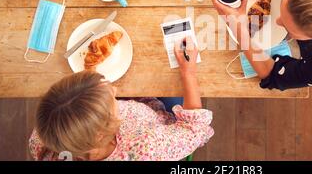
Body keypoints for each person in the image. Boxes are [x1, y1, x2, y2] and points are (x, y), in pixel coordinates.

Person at [29, 37, 213, 161]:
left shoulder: (43, 138)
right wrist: (188, 72)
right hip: (159, 117)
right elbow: (194, 129)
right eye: (112, 99)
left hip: (138, 106)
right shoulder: (145, 148)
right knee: (176, 92)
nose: (115, 89)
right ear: (101, 133)